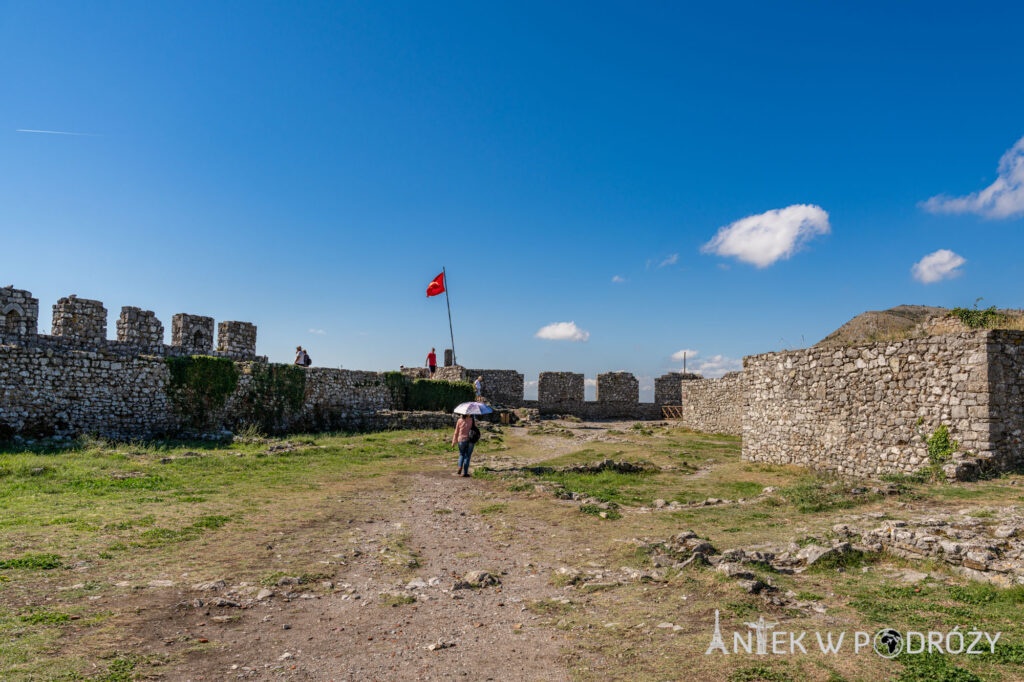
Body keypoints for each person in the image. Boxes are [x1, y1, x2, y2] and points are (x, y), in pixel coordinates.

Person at [452, 412, 475, 477]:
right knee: (467, 456)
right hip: (470, 440)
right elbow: (475, 429)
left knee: (461, 454)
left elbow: (456, 432)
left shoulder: (459, 420)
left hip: (461, 440)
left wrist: (453, 441)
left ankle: (459, 467)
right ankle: (465, 472)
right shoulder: (472, 420)